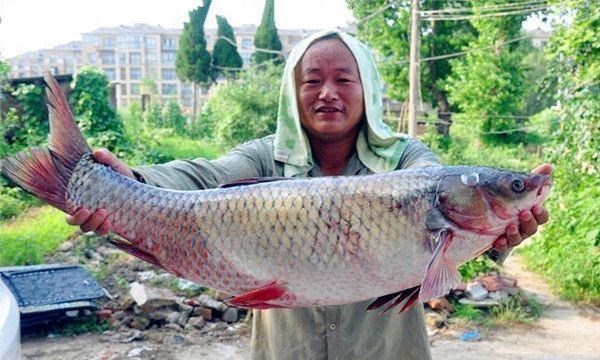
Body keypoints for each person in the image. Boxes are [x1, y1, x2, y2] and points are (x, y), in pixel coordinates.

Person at [66, 30, 551, 359]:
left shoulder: (411, 166)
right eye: (312, 81)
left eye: (344, 79)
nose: (328, 93)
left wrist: (501, 236)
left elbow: (443, 210)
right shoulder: (265, 158)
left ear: (369, 90)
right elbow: (203, 177)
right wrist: (130, 181)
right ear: (291, 93)